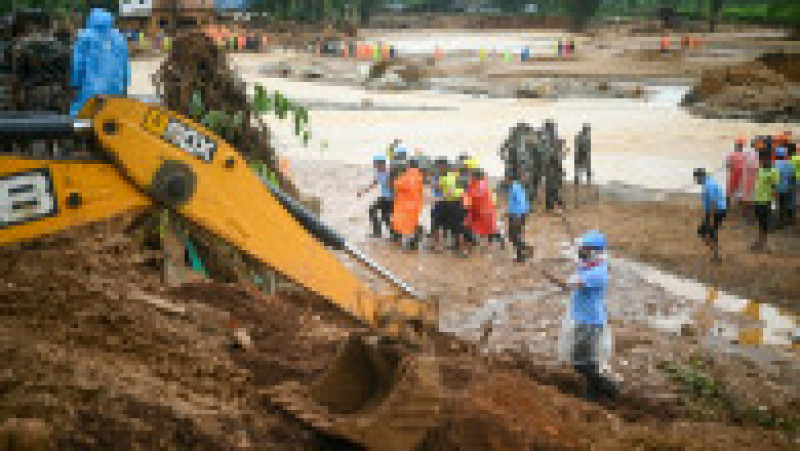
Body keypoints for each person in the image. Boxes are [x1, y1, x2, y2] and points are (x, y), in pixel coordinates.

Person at [565, 230, 618, 401]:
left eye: (585, 248)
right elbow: (574, 243)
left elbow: (565, 284)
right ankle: (592, 395)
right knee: (588, 360)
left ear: (594, 251)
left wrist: (538, 270)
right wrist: (563, 218)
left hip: (589, 322)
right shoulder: (590, 262)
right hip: (586, 319)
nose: (581, 250)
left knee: (579, 363)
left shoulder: (597, 273)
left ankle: (610, 388)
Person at [70, 7, 130, 116]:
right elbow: (125, 64)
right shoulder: (119, 38)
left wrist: (75, 85)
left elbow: (78, 64)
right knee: (110, 123)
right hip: (115, 89)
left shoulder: (85, 37)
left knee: (87, 120)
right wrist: (125, 86)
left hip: (90, 91)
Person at [693, 168, 727, 263]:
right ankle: (714, 252)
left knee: (707, 232)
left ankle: (715, 254)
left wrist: (711, 217)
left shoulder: (708, 185)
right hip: (718, 210)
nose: (696, 181)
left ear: (700, 177)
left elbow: (713, 201)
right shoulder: (710, 183)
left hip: (717, 210)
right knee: (705, 231)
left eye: (696, 179)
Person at [391, 158, 424, 250]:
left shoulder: (405, 176)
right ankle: (415, 240)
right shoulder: (419, 176)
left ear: (408, 166)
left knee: (403, 224)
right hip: (416, 205)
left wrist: (395, 175)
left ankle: (410, 242)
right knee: (413, 223)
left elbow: (396, 185)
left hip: (405, 205)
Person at [358, 155, 393, 238]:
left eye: (376, 164)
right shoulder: (380, 173)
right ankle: (379, 232)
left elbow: (394, 187)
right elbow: (374, 183)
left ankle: (393, 234)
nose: (375, 166)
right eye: (375, 164)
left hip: (390, 199)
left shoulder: (389, 174)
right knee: (374, 211)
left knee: (385, 217)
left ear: (381, 164)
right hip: (384, 198)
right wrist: (363, 191)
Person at [751, 156, 779, 251]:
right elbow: (757, 184)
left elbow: (774, 188)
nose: (762, 162)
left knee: (765, 223)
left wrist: (773, 203)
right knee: (760, 223)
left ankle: (766, 244)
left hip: (766, 201)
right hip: (758, 200)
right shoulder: (760, 170)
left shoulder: (773, 172)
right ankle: (760, 242)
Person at [465, 168, 497, 247]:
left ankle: (470, 246)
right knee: (487, 230)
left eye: (472, 175)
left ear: (475, 176)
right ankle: (491, 246)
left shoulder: (476, 185)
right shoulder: (486, 184)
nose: (470, 177)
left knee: (471, 228)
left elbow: (471, 197)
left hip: (479, 211)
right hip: (486, 211)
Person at [505, 172, 530, 262]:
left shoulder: (513, 188)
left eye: (506, 178)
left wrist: (510, 213)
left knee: (513, 235)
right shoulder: (518, 187)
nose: (505, 180)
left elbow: (514, 203)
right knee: (515, 235)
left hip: (516, 214)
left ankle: (521, 255)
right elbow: (523, 201)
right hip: (521, 213)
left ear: (509, 178)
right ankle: (524, 249)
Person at [775, 147, 795, 228]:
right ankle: (790, 219)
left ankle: (781, 222)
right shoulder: (789, 164)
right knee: (788, 203)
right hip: (788, 187)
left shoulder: (775, 164)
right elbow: (792, 176)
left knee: (781, 205)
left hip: (779, 188)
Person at [725, 137, 746, 212]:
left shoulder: (731, 154)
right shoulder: (745, 155)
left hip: (733, 175)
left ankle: (727, 207)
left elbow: (727, 165)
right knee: (740, 193)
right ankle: (740, 209)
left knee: (729, 192)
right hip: (741, 176)